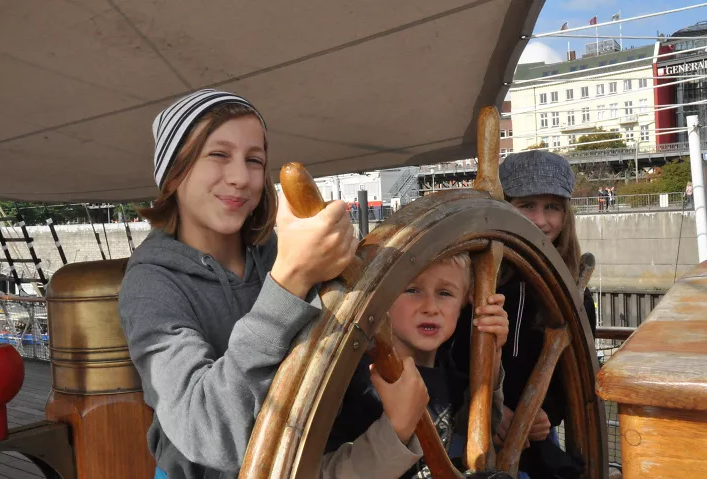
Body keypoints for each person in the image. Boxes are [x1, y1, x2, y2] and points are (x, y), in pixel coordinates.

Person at [118, 89, 358, 479]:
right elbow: (209, 435)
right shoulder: (149, 287)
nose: (240, 178)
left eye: (254, 160)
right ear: (174, 171)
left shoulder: (279, 254)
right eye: (218, 155)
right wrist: (289, 284)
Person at [452, 150, 597, 479]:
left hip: (538, 435)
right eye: (527, 205)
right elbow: (450, 354)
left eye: (552, 208)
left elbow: (579, 369)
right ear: (505, 206)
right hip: (470, 425)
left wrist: (549, 413)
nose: (541, 220)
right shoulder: (470, 279)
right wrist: (486, 407)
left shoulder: (575, 293)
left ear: (566, 215)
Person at [320, 252, 509, 479]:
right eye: (412, 290)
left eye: (445, 293)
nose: (430, 307)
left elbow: (479, 429)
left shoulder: (450, 375)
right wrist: (397, 429)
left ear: (465, 302)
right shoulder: (355, 381)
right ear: (383, 298)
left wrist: (491, 353)